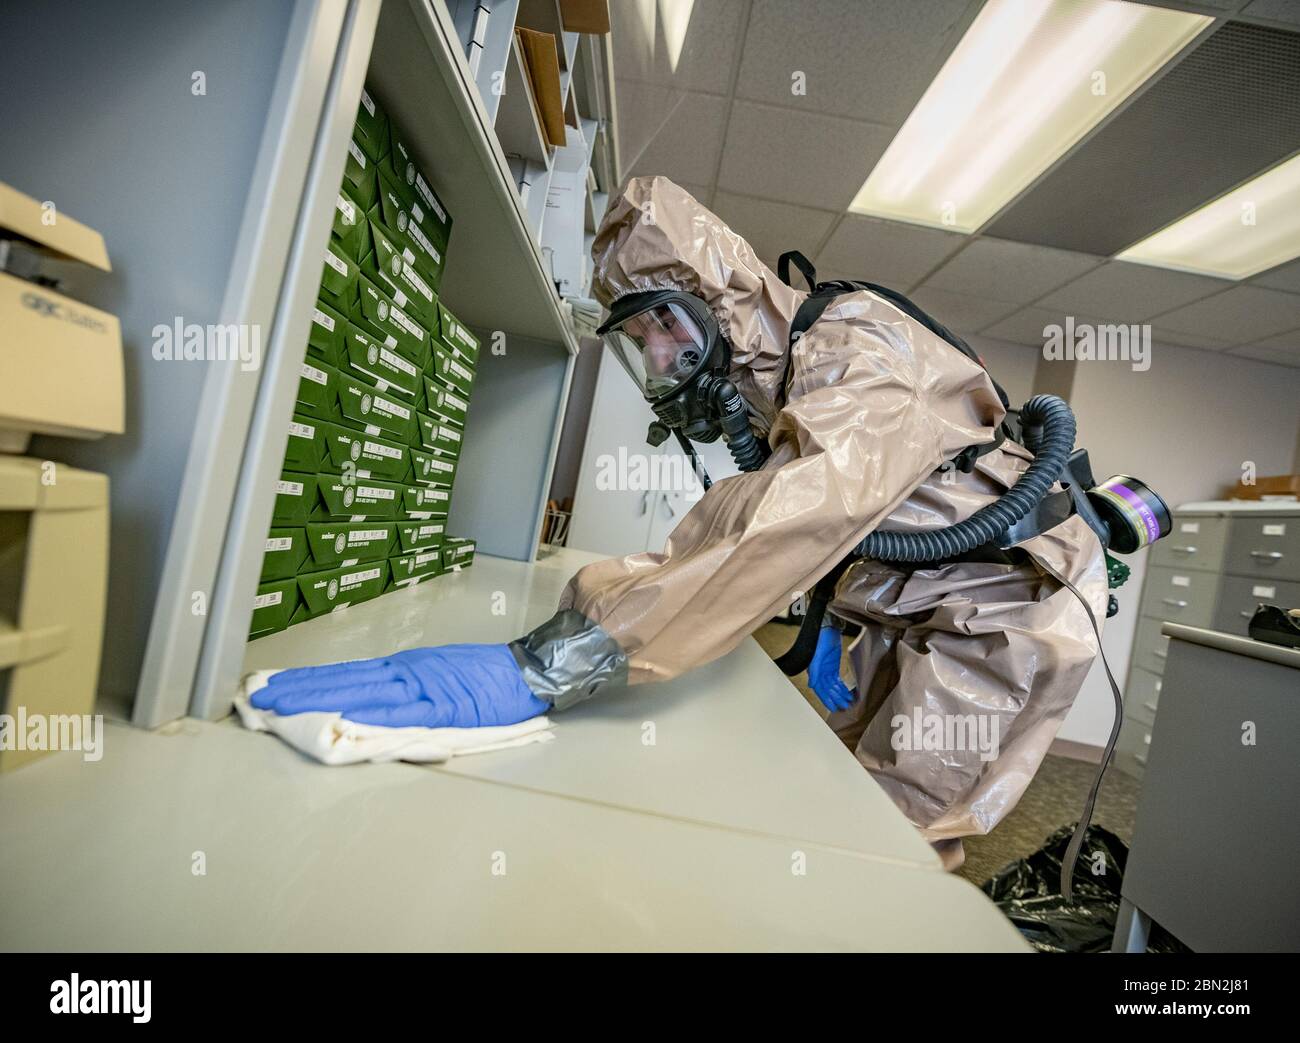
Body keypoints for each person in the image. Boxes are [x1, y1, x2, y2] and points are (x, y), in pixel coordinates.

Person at [252, 176, 1110, 869]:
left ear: (720, 299)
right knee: (826, 790)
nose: (658, 360)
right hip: (905, 599)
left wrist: (550, 663)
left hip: (1003, 614)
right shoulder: (783, 377)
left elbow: (794, 511)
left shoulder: (858, 351)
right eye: (637, 341)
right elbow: (825, 512)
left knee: (892, 832)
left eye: (662, 326)